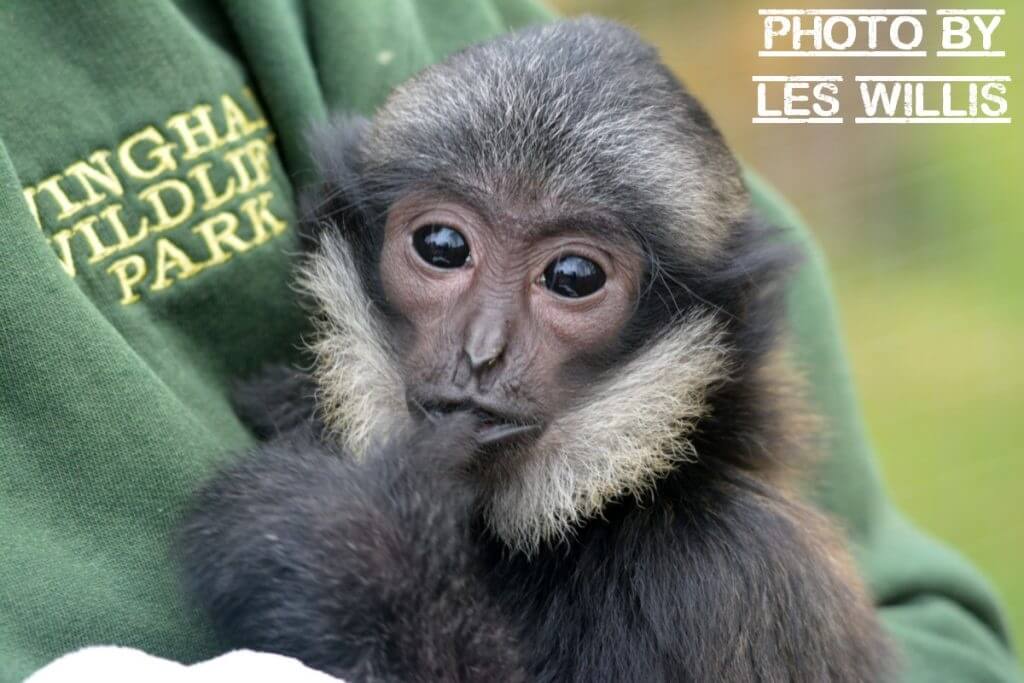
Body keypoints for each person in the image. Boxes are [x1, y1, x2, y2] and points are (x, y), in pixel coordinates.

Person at [0, 2, 1019, 681]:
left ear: (708, 325)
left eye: (572, 278)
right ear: (345, 238)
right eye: (441, 247)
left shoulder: (730, 583)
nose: (482, 346)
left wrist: (389, 603)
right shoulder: (317, 419)